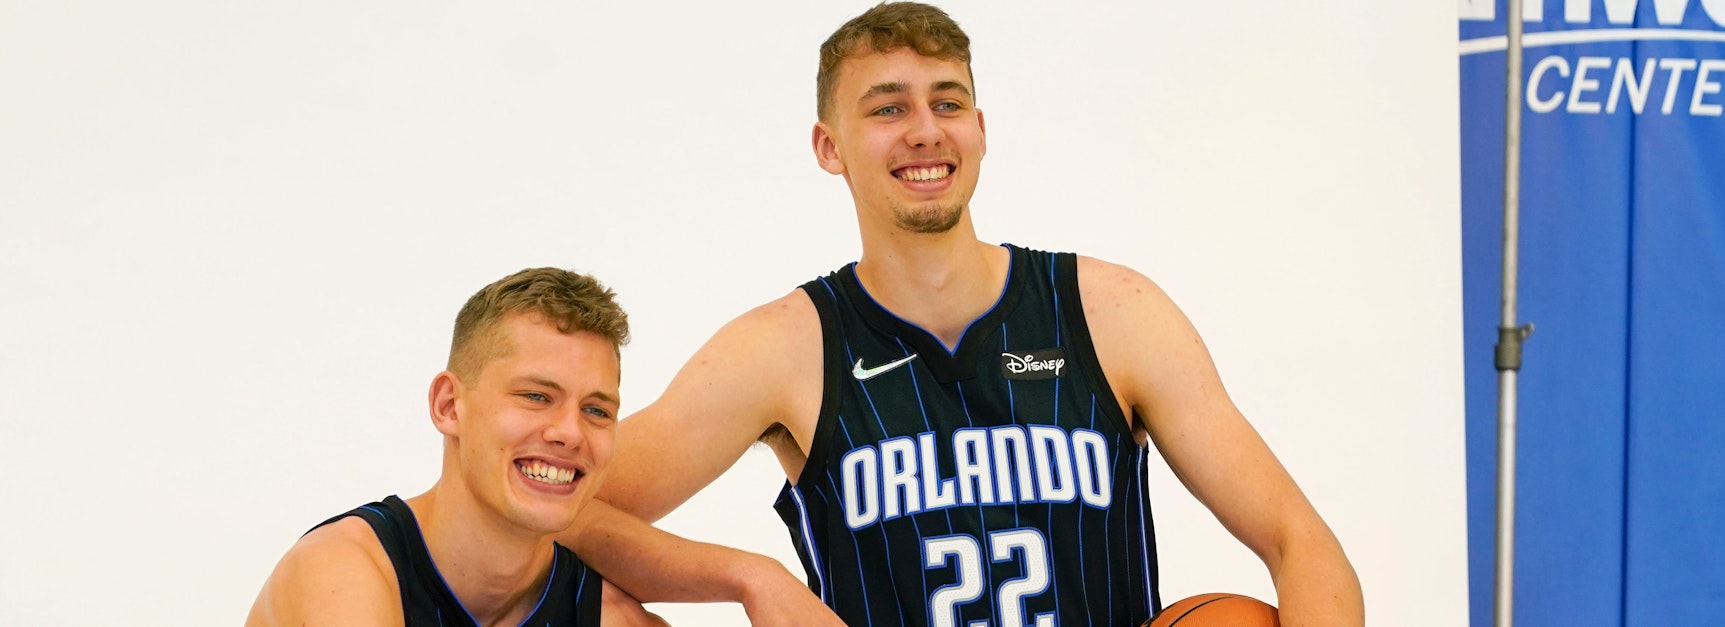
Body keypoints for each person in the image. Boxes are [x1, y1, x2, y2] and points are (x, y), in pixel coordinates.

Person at [561, 3, 1364, 625]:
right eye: (886, 108)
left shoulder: (1113, 312)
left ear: (979, 129)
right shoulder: (784, 348)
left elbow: (1303, 542)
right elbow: (560, 506)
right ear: (829, 146)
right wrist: (746, 578)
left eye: (948, 102)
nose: (924, 131)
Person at [246, 267, 666, 627]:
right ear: (449, 406)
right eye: (536, 396)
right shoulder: (340, 572)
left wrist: (734, 574)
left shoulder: (614, 618)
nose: (571, 433)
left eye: (596, 410)